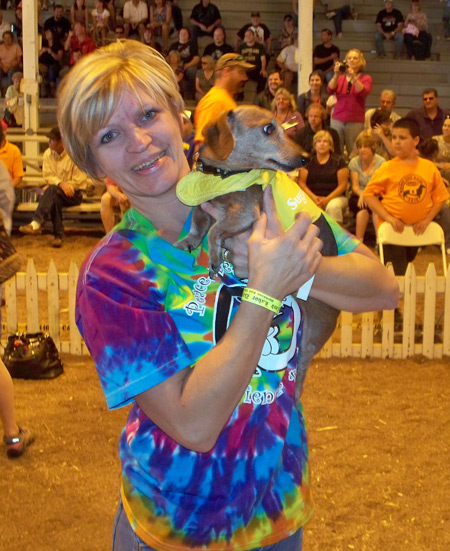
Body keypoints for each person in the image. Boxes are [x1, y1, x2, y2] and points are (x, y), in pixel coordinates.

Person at [57, 39, 398, 551]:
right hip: (175, 525)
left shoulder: (267, 192)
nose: (140, 142)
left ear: (181, 117)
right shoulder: (113, 274)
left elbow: (383, 289)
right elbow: (194, 424)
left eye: (149, 114)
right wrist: (264, 289)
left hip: (278, 509)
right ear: (95, 164)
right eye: (110, 135)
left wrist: (300, 272)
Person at [364, 118, 450, 273]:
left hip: (417, 231)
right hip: (393, 229)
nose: (396, 142)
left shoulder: (429, 168)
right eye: (394, 137)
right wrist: (388, 217)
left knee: (405, 266)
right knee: (397, 272)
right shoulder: (388, 167)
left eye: (402, 138)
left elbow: (440, 198)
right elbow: (369, 195)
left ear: (416, 140)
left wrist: (427, 219)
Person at [18, 127, 90, 248]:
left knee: (52, 191)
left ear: (62, 142)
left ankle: (36, 223)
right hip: (56, 192)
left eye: (52, 140)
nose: (49, 142)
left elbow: (80, 180)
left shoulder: (75, 155)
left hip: (74, 194)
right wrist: (61, 184)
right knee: (54, 196)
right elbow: (47, 175)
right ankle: (58, 237)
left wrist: (64, 185)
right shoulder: (47, 154)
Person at [194, 52, 254, 147]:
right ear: (226, 72)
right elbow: (202, 146)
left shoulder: (224, 99)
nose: (245, 78)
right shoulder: (215, 102)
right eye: (241, 72)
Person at [327, 48, 372, 156]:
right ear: (345, 61)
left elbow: (363, 91)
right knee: (336, 149)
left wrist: (353, 78)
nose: (351, 60)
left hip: (355, 120)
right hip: (337, 118)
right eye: (349, 58)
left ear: (360, 61)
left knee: (354, 150)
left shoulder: (366, 78)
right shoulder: (341, 78)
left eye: (355, 58)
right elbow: (329, 89)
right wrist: (336, 74)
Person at [298, 129, 349, 223]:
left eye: (325, 141)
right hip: (312, 197)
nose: (322, 144)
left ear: (330, 145)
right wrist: (314, 198)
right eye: (319, 141)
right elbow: (301, 182)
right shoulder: (308, 161)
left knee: (333, 206)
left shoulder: (339, 161)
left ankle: (336, 236)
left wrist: (326, 200)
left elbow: (343, 185)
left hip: (335, 197)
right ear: (314, 145)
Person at [348, 132, 386, 242]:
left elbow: (381, 186)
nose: (362, 150)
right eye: (360, 147)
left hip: (377, 194)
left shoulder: (381, 162)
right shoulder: (354, 162)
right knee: (362, 210)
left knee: (376, 209)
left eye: (365, 147)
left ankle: (380, 241)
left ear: (372, 148)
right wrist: (362, 194)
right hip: (358, 194)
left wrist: (368, 195)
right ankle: (359, 241)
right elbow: (355, 186)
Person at [169, 27, 200, 100]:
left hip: (188, 66)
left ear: (188, 35)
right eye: (181, 33)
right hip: (175, 66)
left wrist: (187, 65)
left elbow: (197, 58)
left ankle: (193, 94)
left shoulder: (192, 45)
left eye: (185, 33)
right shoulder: (173, 45)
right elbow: (169, 57)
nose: (183, 35)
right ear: (178, 35)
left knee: (192, 71)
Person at [238, 28, 267, 95]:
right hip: (245, 69)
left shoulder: (260, 46)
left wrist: (263, 69)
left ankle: (259, 96)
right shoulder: (241, 47)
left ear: (254, 36)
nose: (248, 37)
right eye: (246, 35)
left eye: (250, 35)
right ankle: (240, 96)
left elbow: (263, 58)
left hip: (256, 69)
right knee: (237, 77)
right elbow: (238, 59)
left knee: (263, 76)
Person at [39, 27, 64, 98]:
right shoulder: (43, 43)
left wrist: (51, 52)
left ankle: (52, 89)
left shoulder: (58, 44)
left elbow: (59, 58)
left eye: (48, 32)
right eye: (46, 33)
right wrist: (41, 52)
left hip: (54, 64)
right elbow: (37, 55)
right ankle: (43, 91)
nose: (46, 34)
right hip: (44, 64)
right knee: (39, 69)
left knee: (52, 70)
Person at [433, 115, 450, 183]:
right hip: (436, 169)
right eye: (444, 125)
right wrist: (438, 165)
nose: (446, 128)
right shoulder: (435, 140)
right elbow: (427, 159)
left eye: (449, 126)